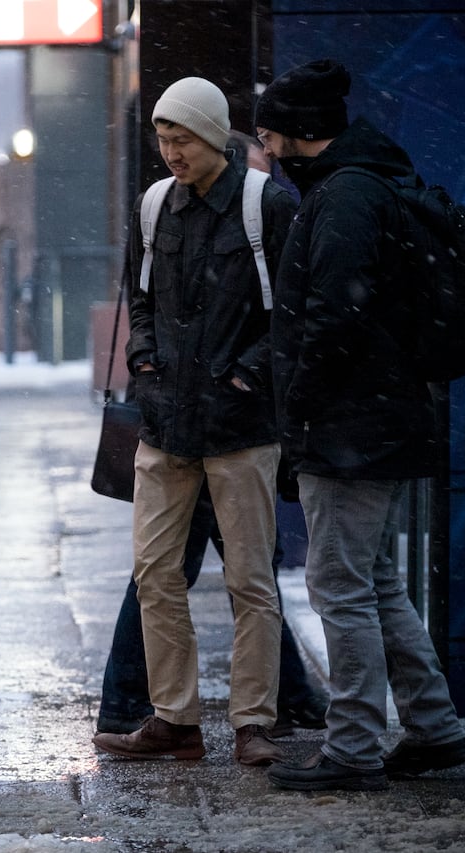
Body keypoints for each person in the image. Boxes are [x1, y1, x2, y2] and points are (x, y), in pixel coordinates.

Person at [255, 59, 465, 792]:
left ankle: (352, 745)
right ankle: (434, 727)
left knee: (339, 583)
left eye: (270, 132)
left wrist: (301, 409)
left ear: (299, 135)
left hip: (351, 424)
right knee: (373, 578)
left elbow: (334, 317)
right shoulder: (366, 182)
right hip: (377, 417)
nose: (264, 146)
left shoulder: (345, 197)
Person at [90, 76, 297, 767]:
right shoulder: (155, 207)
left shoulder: (265, 204)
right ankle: (174, 718)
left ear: (214, 135)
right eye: (162, 137)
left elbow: (290, 316)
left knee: (250, 580)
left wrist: (244, 376)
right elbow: (140, 301)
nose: (169, 150)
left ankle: (253, 721)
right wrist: (144, 365)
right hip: (165, 424)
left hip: (241, 428)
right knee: (154, 572)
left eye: (180, 137)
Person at [96, 480, 329, 738]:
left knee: (174, 573)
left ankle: (287, 692)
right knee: (173, 574)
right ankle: (125, 703)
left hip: (202, 453)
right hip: (207, 454)